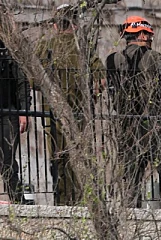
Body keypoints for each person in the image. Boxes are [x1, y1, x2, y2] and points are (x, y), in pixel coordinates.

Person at [106, 16, 161, 210]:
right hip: (155, 124)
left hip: (127, 126)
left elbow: (112, 93)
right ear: (141, 35)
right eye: (149, 36)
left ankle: (130, 216)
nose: (150, 39)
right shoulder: (154, 58)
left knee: (131, 179)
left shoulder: (112, 60)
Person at [35, 3, 105, 205]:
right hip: (79, 114)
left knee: (58, 158)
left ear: (55, 25)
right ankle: (80, 202)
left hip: (52, 114)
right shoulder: (83, 47)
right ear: (75, 24)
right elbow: (101, 80)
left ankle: (61, 202)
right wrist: (92, 98)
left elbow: (33, 81)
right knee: (80, 158)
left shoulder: (45, 46)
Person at [0, 39, 30, 204]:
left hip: (7, 111)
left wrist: (24, 111)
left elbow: (22, 83)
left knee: (7, 160)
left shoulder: (8, 50)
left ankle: (18, 200)